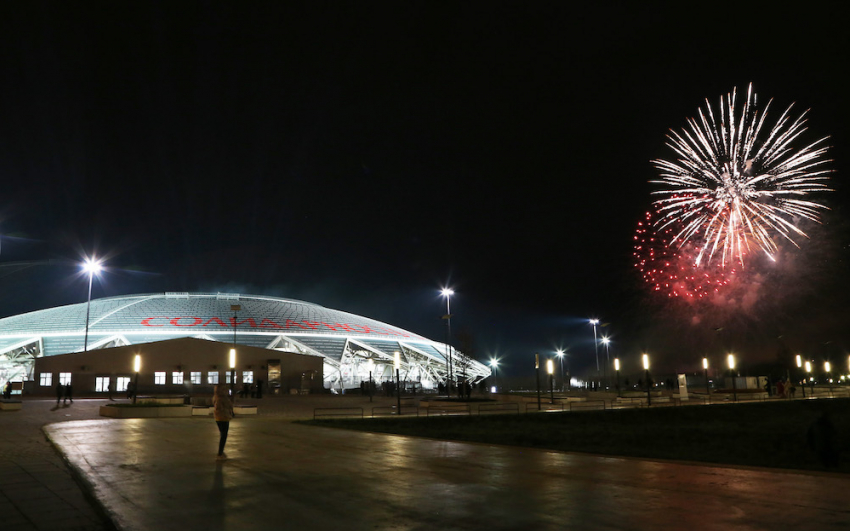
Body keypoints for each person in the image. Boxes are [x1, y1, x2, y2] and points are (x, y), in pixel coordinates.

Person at [213, 384, 234, 460]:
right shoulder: (222, 399)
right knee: (224, 435)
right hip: (223, 417)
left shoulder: (216, 397)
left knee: (223, 435)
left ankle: (221, 452)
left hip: (219, 418)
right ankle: (220, 453)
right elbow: (221, 408)